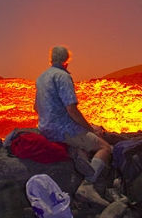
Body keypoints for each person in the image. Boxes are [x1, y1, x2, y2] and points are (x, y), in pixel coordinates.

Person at [34, 45, 112, 207]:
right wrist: (92, 129)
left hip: (45, 129)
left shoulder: (41, 78)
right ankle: (87, 186)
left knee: (83, 141)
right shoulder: (63, 76)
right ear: (66, 61)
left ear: (51, 59)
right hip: (63, 130)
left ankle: (77, 152)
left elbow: (35, 107)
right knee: (104, 147)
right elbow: (72, 110)